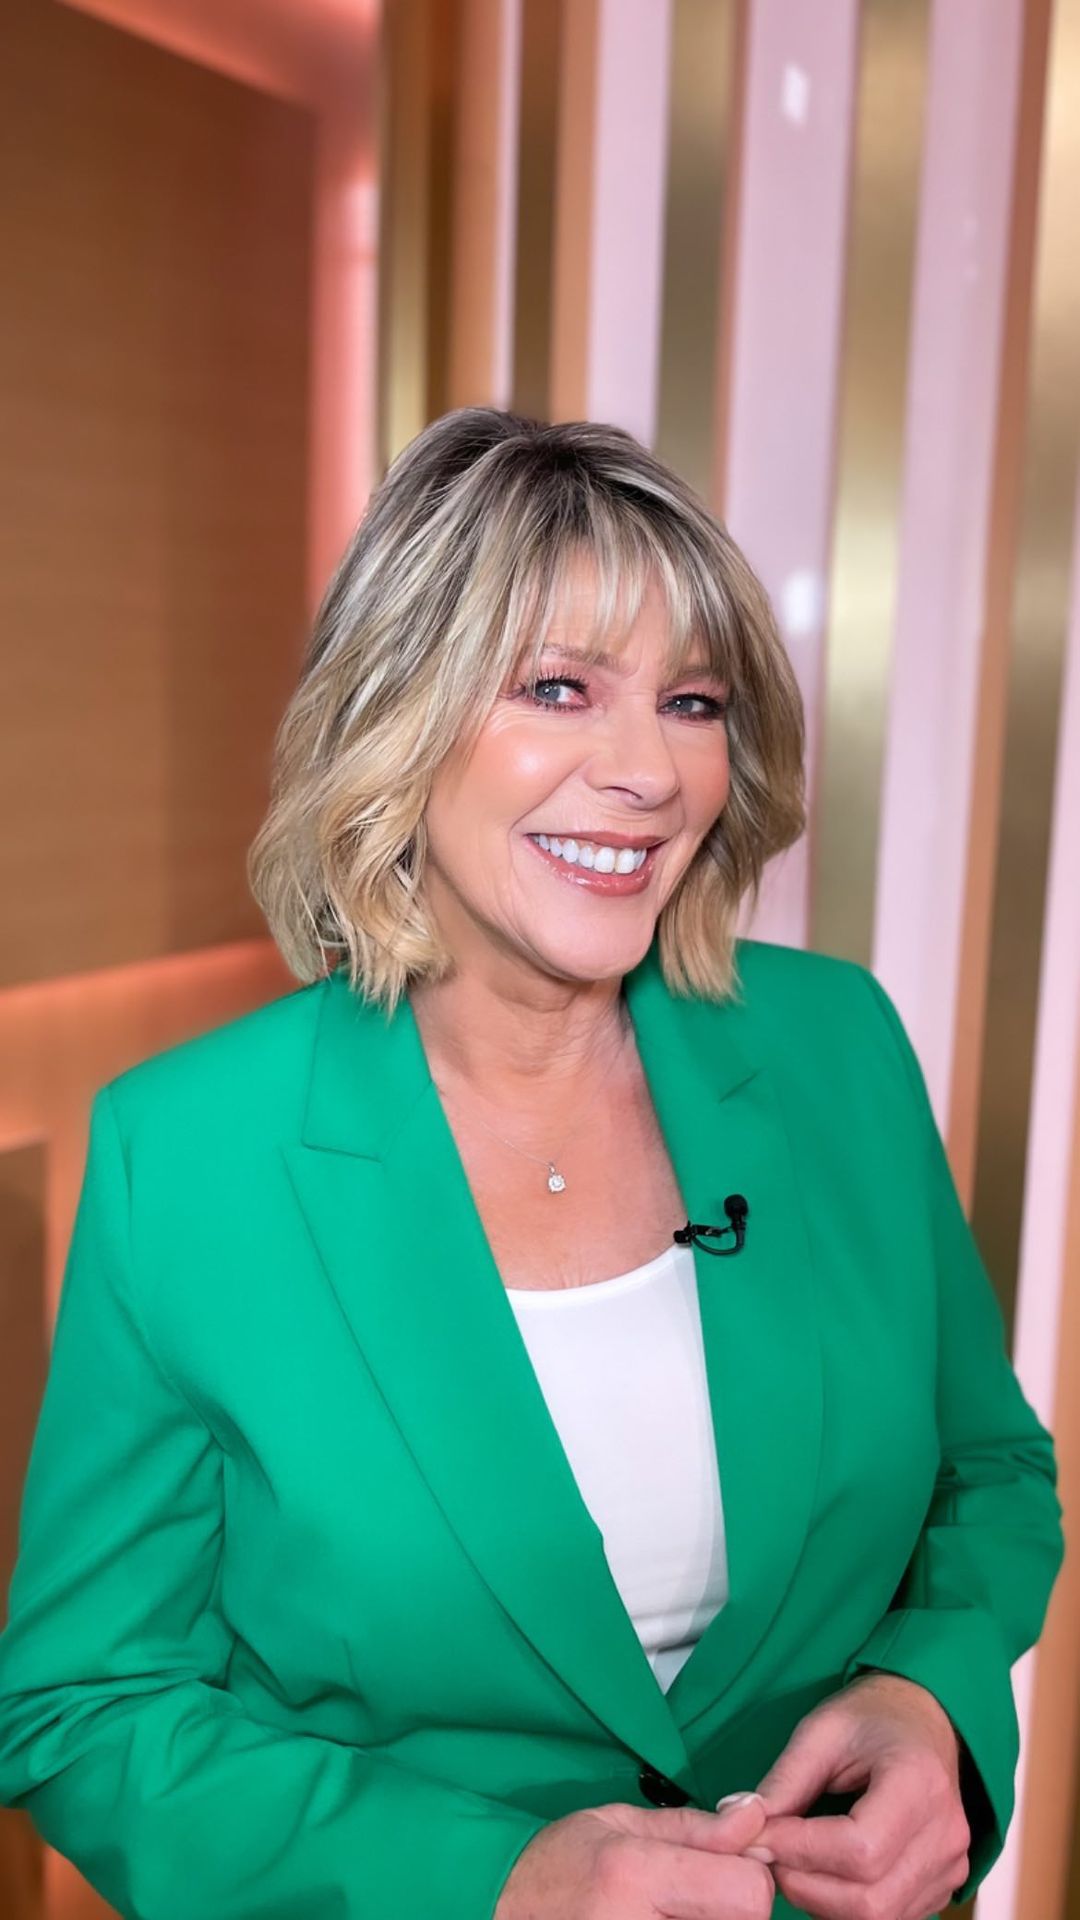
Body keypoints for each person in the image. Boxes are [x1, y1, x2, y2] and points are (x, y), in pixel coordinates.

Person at [0, 408, 1064, 1920]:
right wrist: (491, 1877)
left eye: (692, 702)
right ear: (398, 717)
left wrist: (929, 1697)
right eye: (559, 688)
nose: (647, 772)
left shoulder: (838, 1046)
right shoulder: (183, 1157)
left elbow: (989, 1472)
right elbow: (86, 1707)